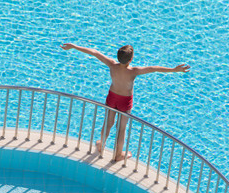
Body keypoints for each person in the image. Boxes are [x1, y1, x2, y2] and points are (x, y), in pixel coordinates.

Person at [60, 43, 190, 162]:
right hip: (125, 101)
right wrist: (174, 69)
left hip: (112, 97)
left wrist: (74, 46)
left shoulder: (111, 64)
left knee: (108, 124)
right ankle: (118, 155)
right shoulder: (134, 71)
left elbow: (94, 52)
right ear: (130, 60)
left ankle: (102, 145)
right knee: (121, 129)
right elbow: (154, 68)